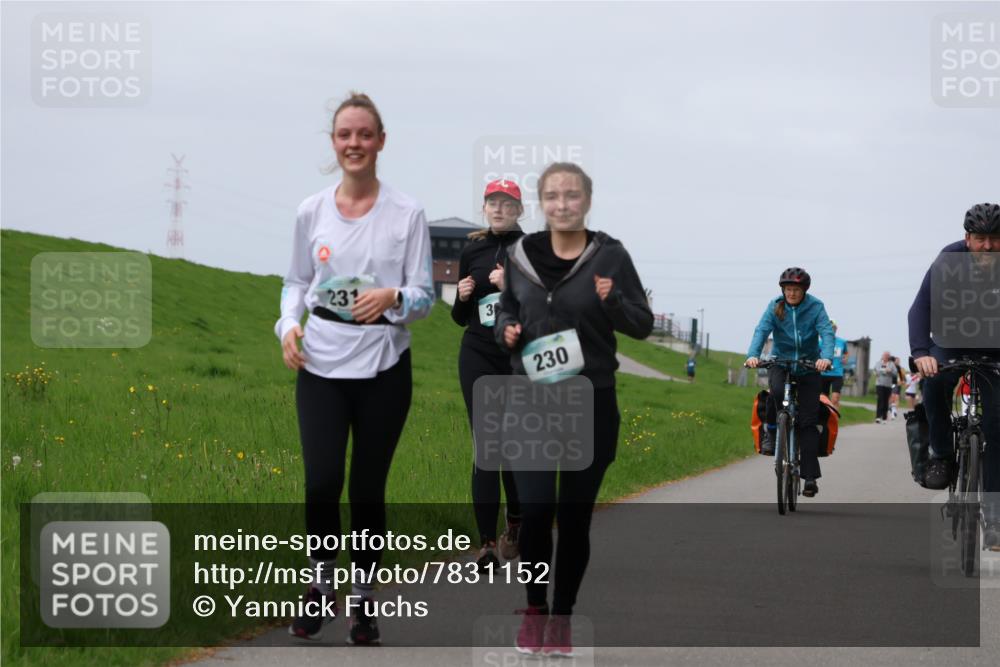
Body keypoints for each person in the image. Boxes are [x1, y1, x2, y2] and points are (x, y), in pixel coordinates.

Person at [276, 92, 434, 644]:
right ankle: (320, 584)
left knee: (367, 488)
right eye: (345, 135)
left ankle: (363, 602)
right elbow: (296, 283)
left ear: (381, 142)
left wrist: (393, 296)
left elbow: (425, 297)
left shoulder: (406, 213)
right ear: (333, 143)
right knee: (322, 482)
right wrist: (287, 326)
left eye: (365, 134)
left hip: (384, 364)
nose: (355, 144)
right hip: (320, 359)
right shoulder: (310, 211)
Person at [494, 162, 653, 656]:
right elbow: (504, 309)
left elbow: (642, 324)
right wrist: (507, 331)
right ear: (542, 203)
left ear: (587, 200)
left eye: (572, 195)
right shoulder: (518, 254)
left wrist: (613, 304)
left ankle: (562, 617)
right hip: (532, 397)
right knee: (537, 511)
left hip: (590, 398)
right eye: (553, 196)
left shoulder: (611, 256)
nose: (562, 204)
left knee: (575, 516)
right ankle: (535, 609)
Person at [908, 202, 1000, 548]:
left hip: (995, 348)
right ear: (967, 238)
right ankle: (942, 455)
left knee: (996, 425)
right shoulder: (949, 259)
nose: (988, 246)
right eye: (981, 239)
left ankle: (995, 519)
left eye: (995, 239)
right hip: (950, 342)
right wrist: (921, 353)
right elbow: (922, 306)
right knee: (933, 382)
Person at [452, 178, 525, 570]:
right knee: (486, 446)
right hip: (477, 352)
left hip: (515, 358)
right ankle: (484, 545)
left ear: (518, 210)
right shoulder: (472, 249)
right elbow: (460, 318)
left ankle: (515, 523)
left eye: (506, 203)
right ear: (485, 208)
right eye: (492, 203)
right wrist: (463, 298)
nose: (498, 209)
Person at [745, 267, 833, 498]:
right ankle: (772, 433)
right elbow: (762, 330)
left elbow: (826, 332)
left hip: (809, 366)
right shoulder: (775, 305)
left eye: (796, 290)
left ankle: (810, 477)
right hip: (781, 362)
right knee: (774, 395)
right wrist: (753, 355)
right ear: (782, 290)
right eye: (788, 289)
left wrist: (825, 358)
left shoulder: (816, 306)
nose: (791, 294)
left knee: (807, 421)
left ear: (804, 290)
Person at [819, 320, 849, 409]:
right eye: (829, 328)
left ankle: (834, 420)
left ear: (836, 329)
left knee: (835, 399)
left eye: (833, 328)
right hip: (824, 373)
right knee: (824, 400)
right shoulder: (821, 342)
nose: (831, 329)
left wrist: (845, 358)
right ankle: (825, 420)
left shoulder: (842, 342)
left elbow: (846, 353)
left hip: (837, 373)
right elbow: (815, 353)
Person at [872, 352, 898, 423]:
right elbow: (875, 370)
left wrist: (890, 371)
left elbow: (895, 373)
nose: (885, 357)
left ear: (889, 357)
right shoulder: (878, 363)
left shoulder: (891, 364)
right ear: (882, 356)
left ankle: (884, 418)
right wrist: (877, 373)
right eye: (884, 355)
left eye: (887, 356)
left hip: (888, 385)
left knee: (886, 401)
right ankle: (878, 417)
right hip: (879, 384)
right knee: (880, 399)